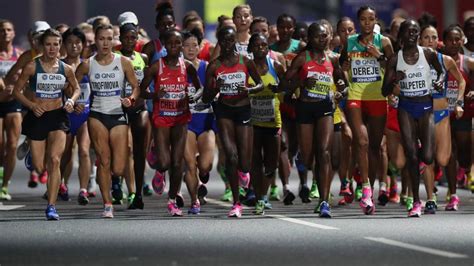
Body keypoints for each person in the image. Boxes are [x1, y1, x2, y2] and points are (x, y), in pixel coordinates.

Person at [279, 23, 348, 217]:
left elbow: (343, 84)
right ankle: (304, 157)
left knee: (324, 152)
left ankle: (324, 201)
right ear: (310, 38)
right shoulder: (302, 58)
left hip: (325, 108)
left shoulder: (333, 58)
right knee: (309, 157)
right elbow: (284, 83)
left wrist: (341, 92)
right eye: (318, 36)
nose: (323, 39)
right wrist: (301, 82)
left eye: (325, 36)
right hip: (305, 108)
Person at [12, 29, 80, 220]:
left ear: (61, 46)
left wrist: (71, 101)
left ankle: (51, 206)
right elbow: (17, 91)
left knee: (55, 160)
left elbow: (76, 89)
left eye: (56, 44)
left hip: (58, 116)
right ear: (42, 46)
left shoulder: (66, 68)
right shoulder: (32, 67)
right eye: (48, 44)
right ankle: (33, 158)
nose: (52, 48)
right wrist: (32, 105)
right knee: (41, 167)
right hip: (37, 117)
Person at [75, 24, 139, 218]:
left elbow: (136, 86)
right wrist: (75, 101)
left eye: (109, 39)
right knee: (103, 160)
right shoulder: (88, 63)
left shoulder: (124, 62)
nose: (105, 43)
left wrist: (131, 99)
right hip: (96, 114)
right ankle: (107, 204)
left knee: (118, 167)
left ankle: (113, 182)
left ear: (114, 40)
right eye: (102, 39)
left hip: (118, 114)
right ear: (95, 40)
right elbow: (73, 85)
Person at [382, 19, 445, 217]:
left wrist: (438, 82)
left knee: (426, 157)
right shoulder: (394, 59)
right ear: (401, 36)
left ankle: (416, 160)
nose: (412, 35)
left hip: (426, 107)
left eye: (415, 32)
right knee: (411, 154)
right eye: (408, 32)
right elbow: (384, 90)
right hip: (406, 107)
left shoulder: (428, 53)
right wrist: (394, 80)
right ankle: (416, 201)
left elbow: (441, 73)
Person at [140, 29, 202, 216]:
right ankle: (159, 169)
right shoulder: (156, 66)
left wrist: (193, 97)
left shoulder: (188, 66)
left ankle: (172, 200)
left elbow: (199, 88)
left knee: (177, 162)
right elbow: (141, 91)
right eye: (171, 44)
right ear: (165, 46)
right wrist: (154, 95)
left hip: (181, 117)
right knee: (165, 162)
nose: (174, 47)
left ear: (181, 46)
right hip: (161, 117)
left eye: (178, 43)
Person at [203, 26, 263, 217]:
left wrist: (249, 90)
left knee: (244, 162)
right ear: (219, 43)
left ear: (235, 42)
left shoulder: (245, 60)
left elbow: (260, 84)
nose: (228, 45)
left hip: (244, 109)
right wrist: (215, 88)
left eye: (231, 41)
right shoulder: (214, 66)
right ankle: (236, 203)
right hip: (224, 110)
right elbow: (205, 97)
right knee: (231, 155)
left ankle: (244, 173)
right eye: (224, 41)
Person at [340, 5, 394, 214]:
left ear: (376, 20)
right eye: (363, 19)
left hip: (378, 97)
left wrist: (379, 55)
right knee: (360, 142)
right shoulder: (351, 42)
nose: (367, 23)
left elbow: (394, 66)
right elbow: (342, 65)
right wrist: (343, 71)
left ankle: (370, 184)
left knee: (373, 146)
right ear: (358, 21)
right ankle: (366, 190)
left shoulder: (385, 42)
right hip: (356, 96)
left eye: (371, 19)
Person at [419, 24, 465, 213]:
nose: (430, 41)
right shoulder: (412, 60)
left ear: (437, 41)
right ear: (420, 40)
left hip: (442, 114)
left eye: (433, 37)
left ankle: (443, 188)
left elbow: (461, 80)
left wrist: (459, 101)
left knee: (443, 159)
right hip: (422, 113)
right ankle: (430, 198)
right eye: (426, 37)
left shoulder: (444, 60)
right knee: (428, 158)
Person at [247, 33, 285, 215]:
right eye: (256, 45)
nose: (260, 48)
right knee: (255, 161)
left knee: (271, 163)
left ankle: (264, 193)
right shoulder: (246, 67)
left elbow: (287, 85)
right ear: (250, 48)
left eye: (264, 45)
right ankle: (260, 197)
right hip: (252, 121)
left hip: (273, 121)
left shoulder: (275, 66)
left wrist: (279, 89)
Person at [116, 18, 150, 209]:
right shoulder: (113, 56)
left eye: (133, 38)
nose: (130, 41)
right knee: (123, 150)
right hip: (117, 108)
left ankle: (137, 194)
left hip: (138, 107)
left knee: (138, 151)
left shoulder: (142, 58)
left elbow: (144, 86)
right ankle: (118, 182)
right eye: (127, 38)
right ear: (120, 38)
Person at [181, 29, 216, 214]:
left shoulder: (207, 67)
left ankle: (203, 175)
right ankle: (194, 201)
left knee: (205, 165)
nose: (191, 49)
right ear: (181, 47)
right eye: (186, 45)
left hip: (206, 120)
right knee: (190, 164)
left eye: (194, 45)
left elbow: (216, 91)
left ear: (201, 46)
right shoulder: (176, 68)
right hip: (186, 121)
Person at [59, 27, 93, 205]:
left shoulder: (89, 65)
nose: (74, 46)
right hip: (64, 114)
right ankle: (61, 184)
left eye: (78, 42)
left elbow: (94, 90)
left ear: (83, 45)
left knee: (84, 151)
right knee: (64, 153)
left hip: (85, 114)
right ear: (64, 44)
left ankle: (83, 190)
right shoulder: (58, 65)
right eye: (70, 42)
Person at [441, 25, 474, 211]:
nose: (454, 43)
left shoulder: (467, 62)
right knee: (449, 152)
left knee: (463, 150)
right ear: (444, 42)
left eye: (457, 40)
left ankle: (465, 168)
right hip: (443, 112)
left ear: (462, 41)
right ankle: (453, 194)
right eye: (450, 40)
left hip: (463, 111)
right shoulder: (438, 60)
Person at [0, 20, 23, 200]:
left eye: (8, 30)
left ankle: (5, 186)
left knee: (13, 145)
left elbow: (26, 78)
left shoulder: (19, 54)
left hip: (14, 102)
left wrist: (17, 90)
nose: (5, 33)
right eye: (2, 30)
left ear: (13, 33)